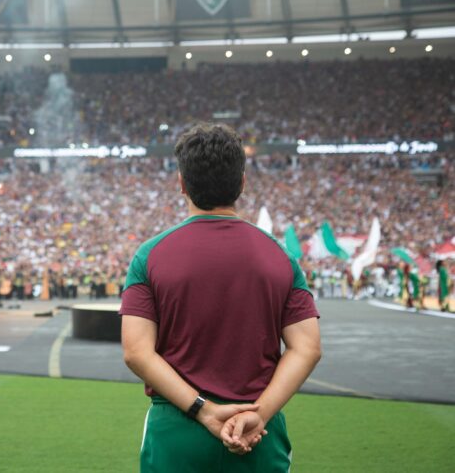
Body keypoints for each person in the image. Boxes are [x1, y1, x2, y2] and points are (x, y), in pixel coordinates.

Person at [120, 124, 321, 472]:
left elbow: (136, 351)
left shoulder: (150, 255)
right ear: (242, 184)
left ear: (181, 184)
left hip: (177, 429)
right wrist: (259, 415)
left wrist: (204, 410)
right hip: (258, 430)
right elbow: (307, 348)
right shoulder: (280, 256)